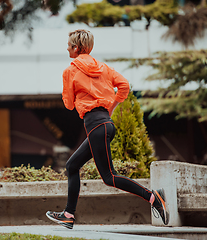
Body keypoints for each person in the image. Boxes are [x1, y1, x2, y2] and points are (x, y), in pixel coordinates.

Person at [45, 29, 169, 229]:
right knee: (72, 166)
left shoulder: (70, 71)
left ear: (76, 48)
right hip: (104, 124)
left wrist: (77, 95)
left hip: (96, 125)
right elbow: (124, 86)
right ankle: (68, 215)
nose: (67, 48)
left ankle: (153, 197)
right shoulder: (103, 68)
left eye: (69, 45)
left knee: (109, 177)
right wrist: (110, 107)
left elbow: (68, 104)